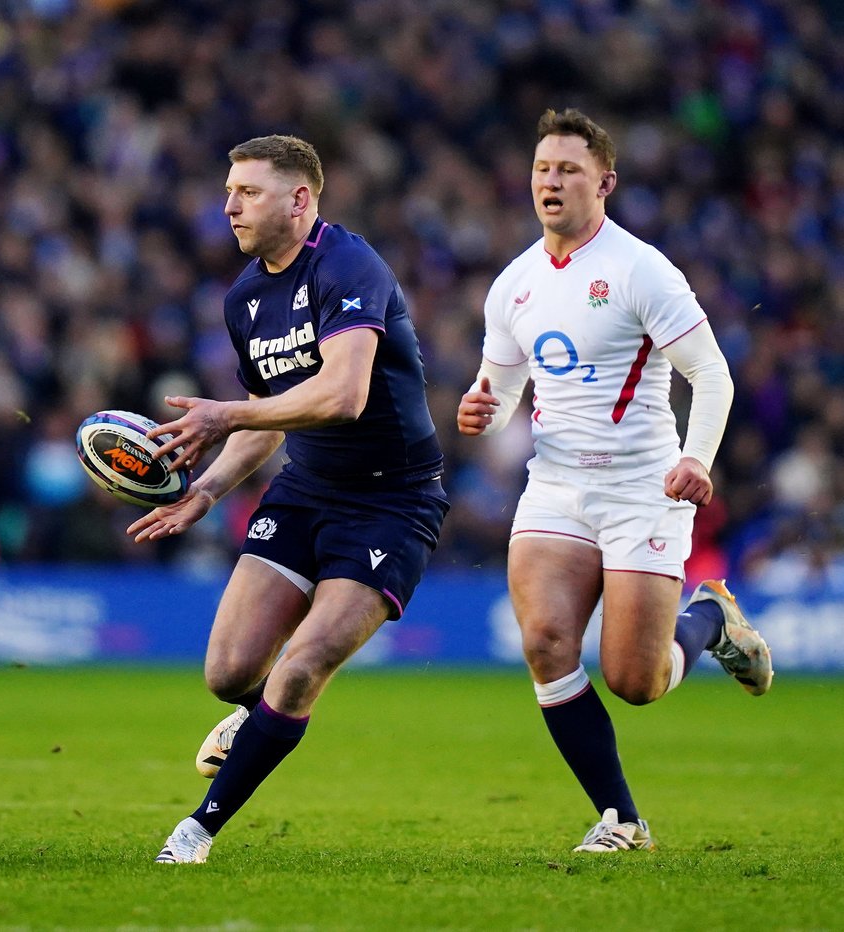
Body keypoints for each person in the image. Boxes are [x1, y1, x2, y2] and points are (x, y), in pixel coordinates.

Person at [456, 109, 772, 852]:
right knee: (546, 642)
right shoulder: (513, 285)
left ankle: (710, 619)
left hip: (641, 489)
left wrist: (696, 459)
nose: (552, 181)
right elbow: (500, 392)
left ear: (605, 183)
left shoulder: (640, 269)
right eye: (542, 169)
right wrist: (481, 410)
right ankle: (622, 819)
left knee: (636, 681)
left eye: (569, 170)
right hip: (556, 485)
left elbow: (711, 374)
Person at [128, 135, 448, 864]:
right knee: (228, 673)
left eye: (248, 192)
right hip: (306, 490)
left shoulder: (349, 266)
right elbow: (270, 416)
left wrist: (226, 415)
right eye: (229, 191)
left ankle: (196, 830)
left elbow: (342, 395)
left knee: (302, 666)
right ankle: (263, 715)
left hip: (392, 503)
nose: (229, 206)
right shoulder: (244, 298)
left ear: (300, 198)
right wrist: (207, 490)